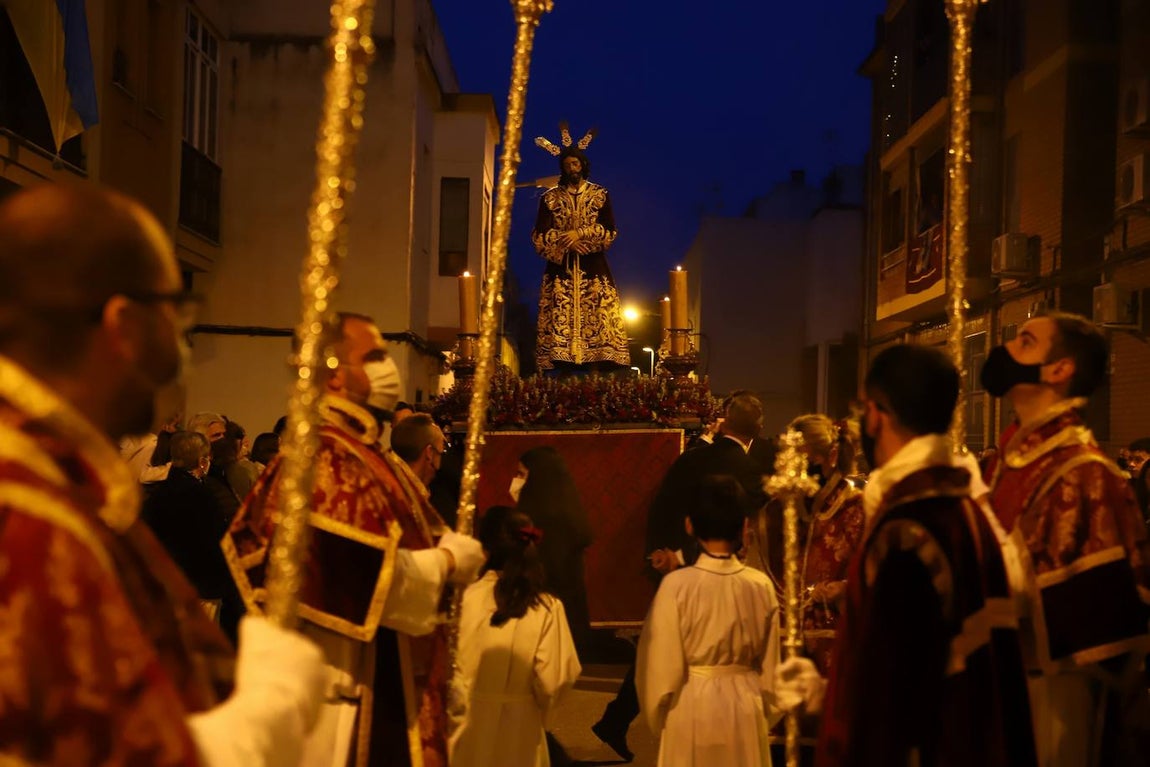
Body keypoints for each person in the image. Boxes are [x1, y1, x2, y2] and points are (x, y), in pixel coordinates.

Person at [0, 182, 325, 766]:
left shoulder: (59, 479)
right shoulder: (30, 522)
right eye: (176, 314)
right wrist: (271, 702)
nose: (180, 348)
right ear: (123, 324)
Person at [224, 311, 485, 767]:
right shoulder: (324, 456)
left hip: (381, 671)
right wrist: (448, 563)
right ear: (334, 375)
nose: (389, 368)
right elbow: (367, 579)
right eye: (375, 357)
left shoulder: (365, 453)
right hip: (342, 689)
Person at [775, 343, 1037, 767]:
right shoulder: (965, 509)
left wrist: (828, 704)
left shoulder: (905, 530)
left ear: (877, 414)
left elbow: (890, 692)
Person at [981, 311, 1150, 766]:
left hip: (1050, 692)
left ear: (1059, 369)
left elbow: (1100, 619)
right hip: (993, 682)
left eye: (1025, 341)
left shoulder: (1085, 472)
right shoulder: (1007, 463)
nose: (1005, 350)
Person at [593, 389, 769, 761]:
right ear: (758, 429)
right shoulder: (747, 470)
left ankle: (618, 718)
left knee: (661, 645)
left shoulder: (694, 457)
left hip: (674, 561)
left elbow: (663, 505)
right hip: (712, 567)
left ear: (724, 422)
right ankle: (621, 719)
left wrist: (661, 552)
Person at [636, 475, 782, 767]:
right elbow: (772, 667)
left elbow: (661, 665)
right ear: (744, 526)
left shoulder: (676, 586)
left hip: (691, 703)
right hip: (745, 704)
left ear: (689, 525)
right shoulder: (760, 585)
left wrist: (658, 714)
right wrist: (764, 711)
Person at [449, 506, 582, 767]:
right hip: (521, 728)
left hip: (467, 722)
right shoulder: (546, 607)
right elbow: (555, 679)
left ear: (484, 549)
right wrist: (541, 713)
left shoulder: (461, 600)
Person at [748, 414, 865, 678]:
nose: (796, 474)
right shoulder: (778, 510)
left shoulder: (856, 506)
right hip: (782, 634)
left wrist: (844, 588)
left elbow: (873, 572)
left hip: (835, 634)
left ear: (831, 456)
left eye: (806, 461)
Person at [531, 124, 629, 374]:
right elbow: (539, 236)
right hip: (560, 271)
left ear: (583, 165)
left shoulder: (600, 194)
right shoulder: (550, 198)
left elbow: (610, 231)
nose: (572, 169)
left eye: (575, 164)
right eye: (567, 166)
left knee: (598, 316)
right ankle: (563, 370)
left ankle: (596, 369)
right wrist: (566, 240)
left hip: (593, 268)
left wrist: (582, 233)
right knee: (559, 318)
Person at [141, 429, 245, 641]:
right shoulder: (202, 495)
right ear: (202, 461)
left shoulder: (158, 493)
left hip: (168, 584)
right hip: (202, 585)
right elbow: (215, 542)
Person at [513, 446, 594, 653]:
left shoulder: (546, 521)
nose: (516, 481)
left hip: (547, 622)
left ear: (538, 478)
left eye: (522, 475)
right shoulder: (563, 512)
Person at [390, 412, 446, 489]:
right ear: (429, 452)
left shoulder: (388, 486)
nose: (442, 457)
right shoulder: (411, 494)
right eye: (442, 451)